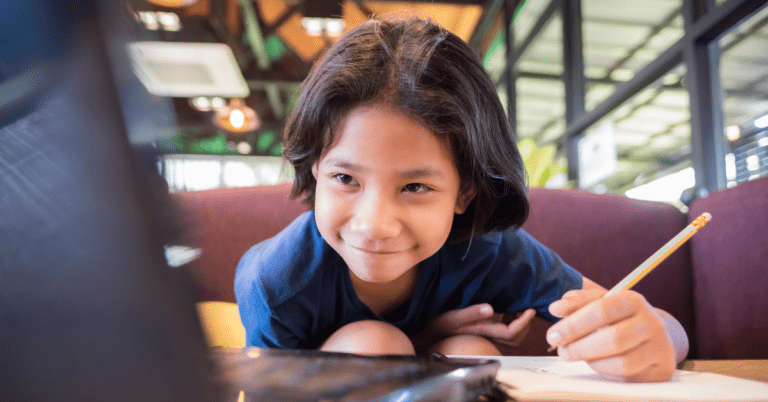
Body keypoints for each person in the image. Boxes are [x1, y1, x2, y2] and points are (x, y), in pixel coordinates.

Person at [235, 16, 688, 382]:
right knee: (373, 344)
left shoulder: (491, 251)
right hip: (324, 372)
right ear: (315, 167)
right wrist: (421, 335)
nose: (373, 224)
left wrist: (658, 339)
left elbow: (655, 326)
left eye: (415, 187)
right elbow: (267, 391)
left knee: (471, 354)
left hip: (451, 352)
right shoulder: (275, 283)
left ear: (465, 191)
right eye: (345, 178)